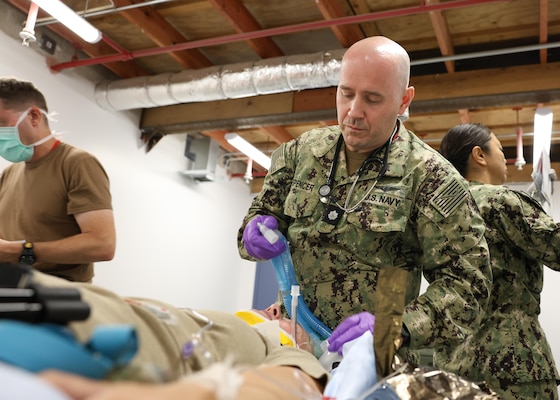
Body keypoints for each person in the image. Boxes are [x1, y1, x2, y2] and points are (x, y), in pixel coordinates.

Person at [236, 35, 492, 377]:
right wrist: (252, 232)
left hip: (373, 364)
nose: (354, 112)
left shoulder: (430, 177)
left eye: (372, 99)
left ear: (404, 100)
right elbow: (257, 221)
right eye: (346, 93)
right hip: (291, 346)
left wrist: (395, 326)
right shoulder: (301, 153)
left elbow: (468, 284)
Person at [0, 266, 328, 400]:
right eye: (276, 309)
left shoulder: (280, 352)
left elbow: (293, 386)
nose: (275, 310)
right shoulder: (206, 316)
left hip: (71, 344)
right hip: (31, 288)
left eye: (288, 321)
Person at [438, 122, 560, 399]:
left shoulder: (439, 213)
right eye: (501, 149)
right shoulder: (500, 201)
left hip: (454, 369)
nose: (505, 158)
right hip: (514, 364)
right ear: (479, 155)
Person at [0, 77, 116, 282]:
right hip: (12, 287)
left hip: (59, 295)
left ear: (34, 116)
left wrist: (21, 251)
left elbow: (102, 245)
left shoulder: (77, 164)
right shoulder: (10, 173)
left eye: (1, 123)